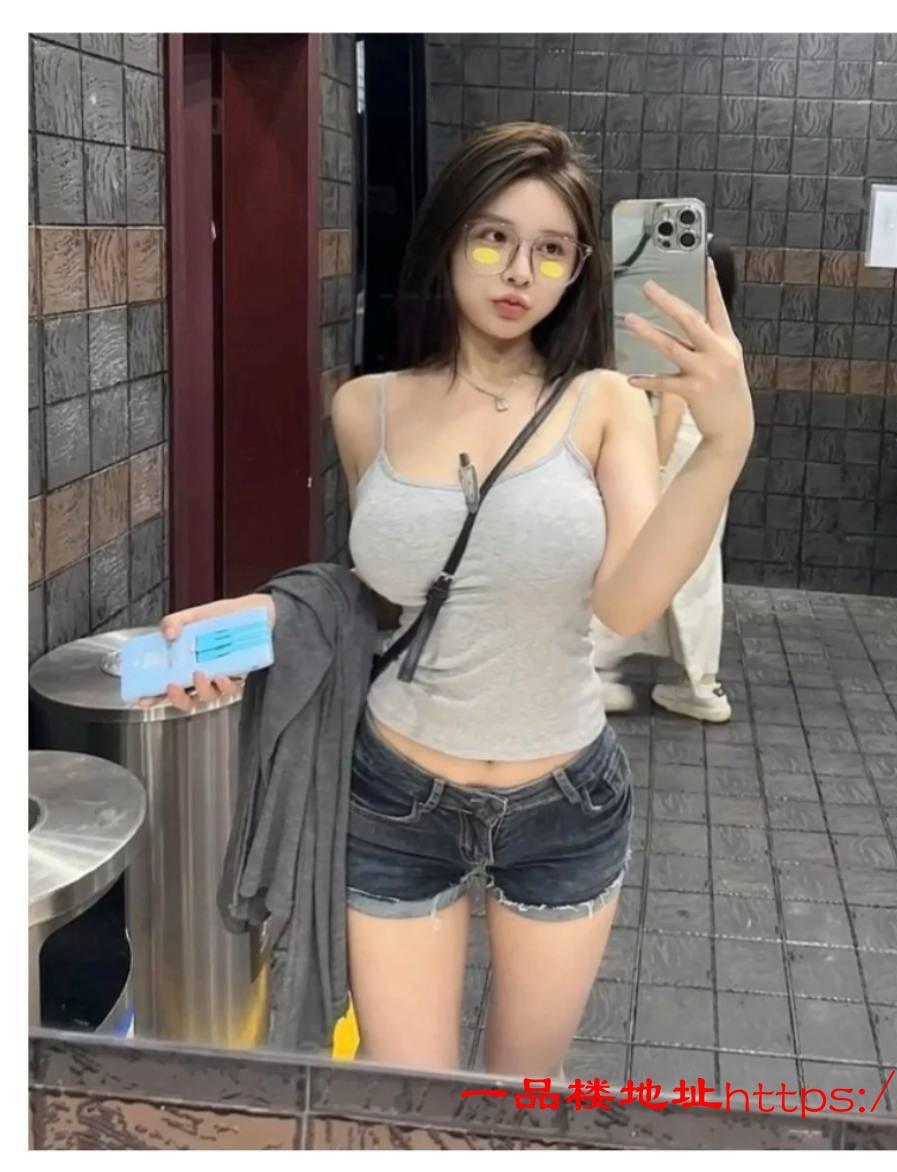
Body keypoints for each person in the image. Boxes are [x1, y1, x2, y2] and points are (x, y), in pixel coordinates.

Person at [146, 122, 753, 1079]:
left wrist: (723, 446)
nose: (516, 271)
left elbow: (628, 604)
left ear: (578, 270)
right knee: (411, 1106)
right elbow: (387, 601)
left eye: (549, 249)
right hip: (395, 795)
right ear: (447, 239)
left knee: (518, 1102)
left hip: (562, 802)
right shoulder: (367, 406)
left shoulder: (603, 401)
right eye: (492, 237)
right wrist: (264, 622)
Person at [595, 239, 738, 723]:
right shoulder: (720, 337)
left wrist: (649, 469)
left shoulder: (679, 330)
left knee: (633, 550)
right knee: (696, 565)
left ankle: (599, 667)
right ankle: (699, 684)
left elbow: (672, 406)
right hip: (705, 449)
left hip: (676, 452)